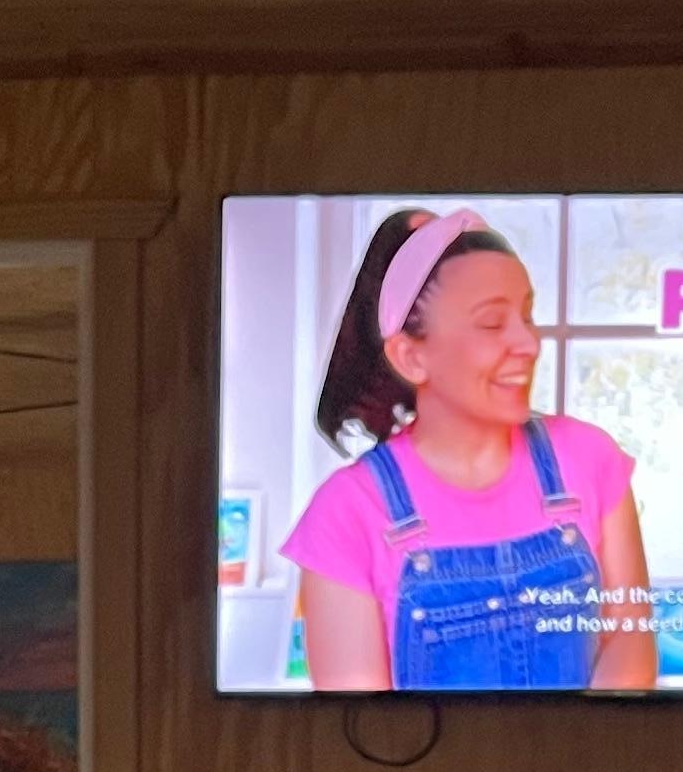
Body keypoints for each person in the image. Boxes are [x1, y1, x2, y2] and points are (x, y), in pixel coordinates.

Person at [282, 207, 657, 693]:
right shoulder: (346, 513)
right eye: (492, 323)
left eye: (526, 316)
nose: (528, 343)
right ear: (411, 356)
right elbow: (364, 735)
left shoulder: (589, 457)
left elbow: (630, 647)